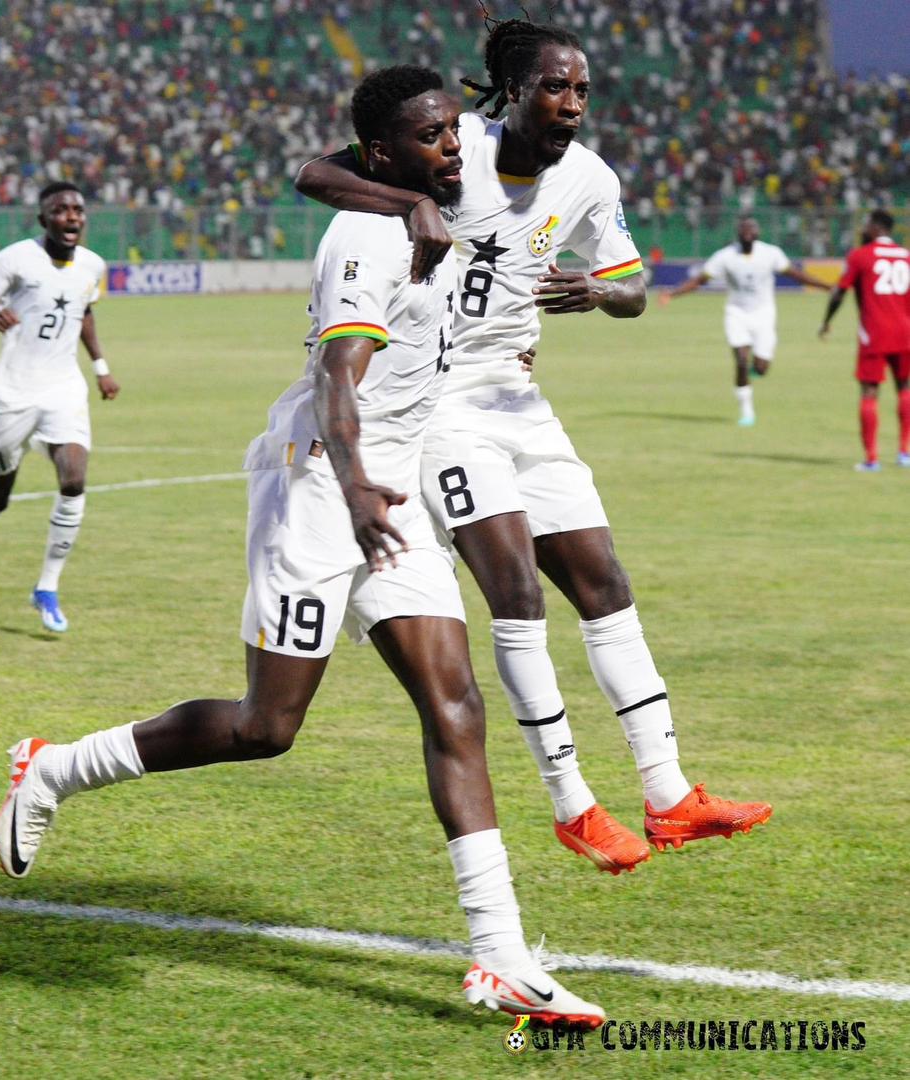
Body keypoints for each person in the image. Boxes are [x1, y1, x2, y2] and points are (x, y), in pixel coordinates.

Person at [0, 66, 606, 1028]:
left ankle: (500, 957)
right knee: (266, 727)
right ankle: (56, 768)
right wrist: (360, 489)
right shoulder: (368, 234)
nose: (455, 147)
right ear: (385, 155)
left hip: (388, 482)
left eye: (456, 130)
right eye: (433, 137)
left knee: (455, 704)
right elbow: (339, 373)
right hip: (324, 480)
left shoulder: (442, 194)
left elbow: (327, 168)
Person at [296, 17, 772, 874]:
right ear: (513, 92)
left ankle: (667, 793)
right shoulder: (450, 148)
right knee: (517, 593)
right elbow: (313, 171)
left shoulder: (590, 180)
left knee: (605, 582)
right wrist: (408, 201)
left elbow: (631, 288)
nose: (574, 105)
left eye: (583, 90)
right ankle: (573, 803)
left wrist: (599, 290)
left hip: (523, 401)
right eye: (556, 87)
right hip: (444, 406)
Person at [0, 182, 119, 632]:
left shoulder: (92, 265)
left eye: (78, 210)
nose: (71, 217)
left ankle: (47, 585)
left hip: (63, 390)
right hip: (10, 395)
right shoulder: (13, 259)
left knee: (74, 480)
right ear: (43, 218)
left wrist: (101, 367)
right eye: (60, 210)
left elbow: (84, 312)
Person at [660, 217, 830, 426]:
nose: (748, 233)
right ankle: (746, 410)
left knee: (761, 368)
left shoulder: (770, 253)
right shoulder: (725, 257)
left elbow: (797, 275)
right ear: (738, 234)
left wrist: (827, 286)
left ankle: (753, 371)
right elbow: (699, 281)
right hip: (736, 313)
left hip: (764, 314)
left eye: (752, 230)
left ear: (758, 233)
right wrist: (673, 294)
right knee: (740, 359)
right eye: (744, 230)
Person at [819, 209, 910, 471]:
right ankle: (904, 453)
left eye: (867, 224)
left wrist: (826, 321)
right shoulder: (906, 255)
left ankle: (872, 459)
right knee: (904, 387)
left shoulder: (861, 255)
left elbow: (839, 293)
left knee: (870, 391)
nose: (863, 229)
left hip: (875, 333)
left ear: (877, 227)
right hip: (905, 332)